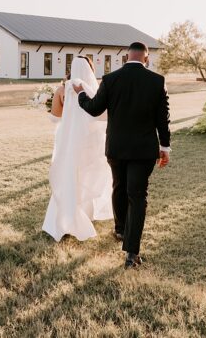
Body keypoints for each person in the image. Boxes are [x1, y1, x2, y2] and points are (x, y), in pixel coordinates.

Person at [74, 42, 171, 269]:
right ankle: (131, 253)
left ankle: (120, 230)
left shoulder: (110, 79)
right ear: (146, 58)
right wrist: (165, 147)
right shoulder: (157, 81)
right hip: (143, 150)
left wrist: (81, 94)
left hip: (116, 148)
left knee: (118, 186)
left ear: (126, 58)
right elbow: (163, 118)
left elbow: (94, 108)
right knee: (137, 195)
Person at [42, 56, 113, 241]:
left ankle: (66, 218)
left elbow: (55, 118)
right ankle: (86, 214)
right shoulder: (96, 90)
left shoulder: (62, 90)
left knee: (69, 175)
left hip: (69, 141)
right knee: (87, 175)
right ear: (90, 69)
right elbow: (103, 116)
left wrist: (58, 106)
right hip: (91, 142)